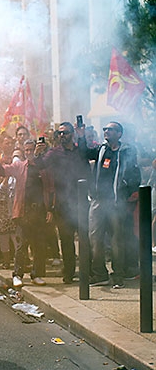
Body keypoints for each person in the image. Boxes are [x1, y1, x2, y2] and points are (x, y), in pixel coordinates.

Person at [79, 121, 141, 289]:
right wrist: (81, 135)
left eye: (111, 129)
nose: (106, 131)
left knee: (117, 241)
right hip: (98, 201)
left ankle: (118, 275)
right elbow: (84, 153)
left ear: (119, 133)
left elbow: (135, 173)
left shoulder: (127, 151)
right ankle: (100, 274)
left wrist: (130, 192)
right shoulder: (101, 149)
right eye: (105, 129)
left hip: (116, 202)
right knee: (95, 238)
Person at [33, 122, 91, 284]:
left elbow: (91, 154)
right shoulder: (54, 152)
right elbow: (40, 165)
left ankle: (88, 271)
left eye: (65, 133)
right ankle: (69, 273)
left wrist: (83, 135)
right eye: (59, 133)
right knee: (66, 241)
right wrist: (37, 154)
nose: (61, 136)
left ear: (72, 134)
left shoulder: (80, 150)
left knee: (85, 238)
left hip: (81, 201)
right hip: (63, 204)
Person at [0, 140, 50, 288]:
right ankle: (18, 274)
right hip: (23, 211)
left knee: (39, 245)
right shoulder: (19, 166)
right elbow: (2, 171)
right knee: (21, 245)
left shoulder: (42, 166)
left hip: (39, 211)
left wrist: (49, 209)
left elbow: (50, 188)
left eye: (32, 150)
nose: (29, 153)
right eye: (27, 150)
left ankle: (37, 274)